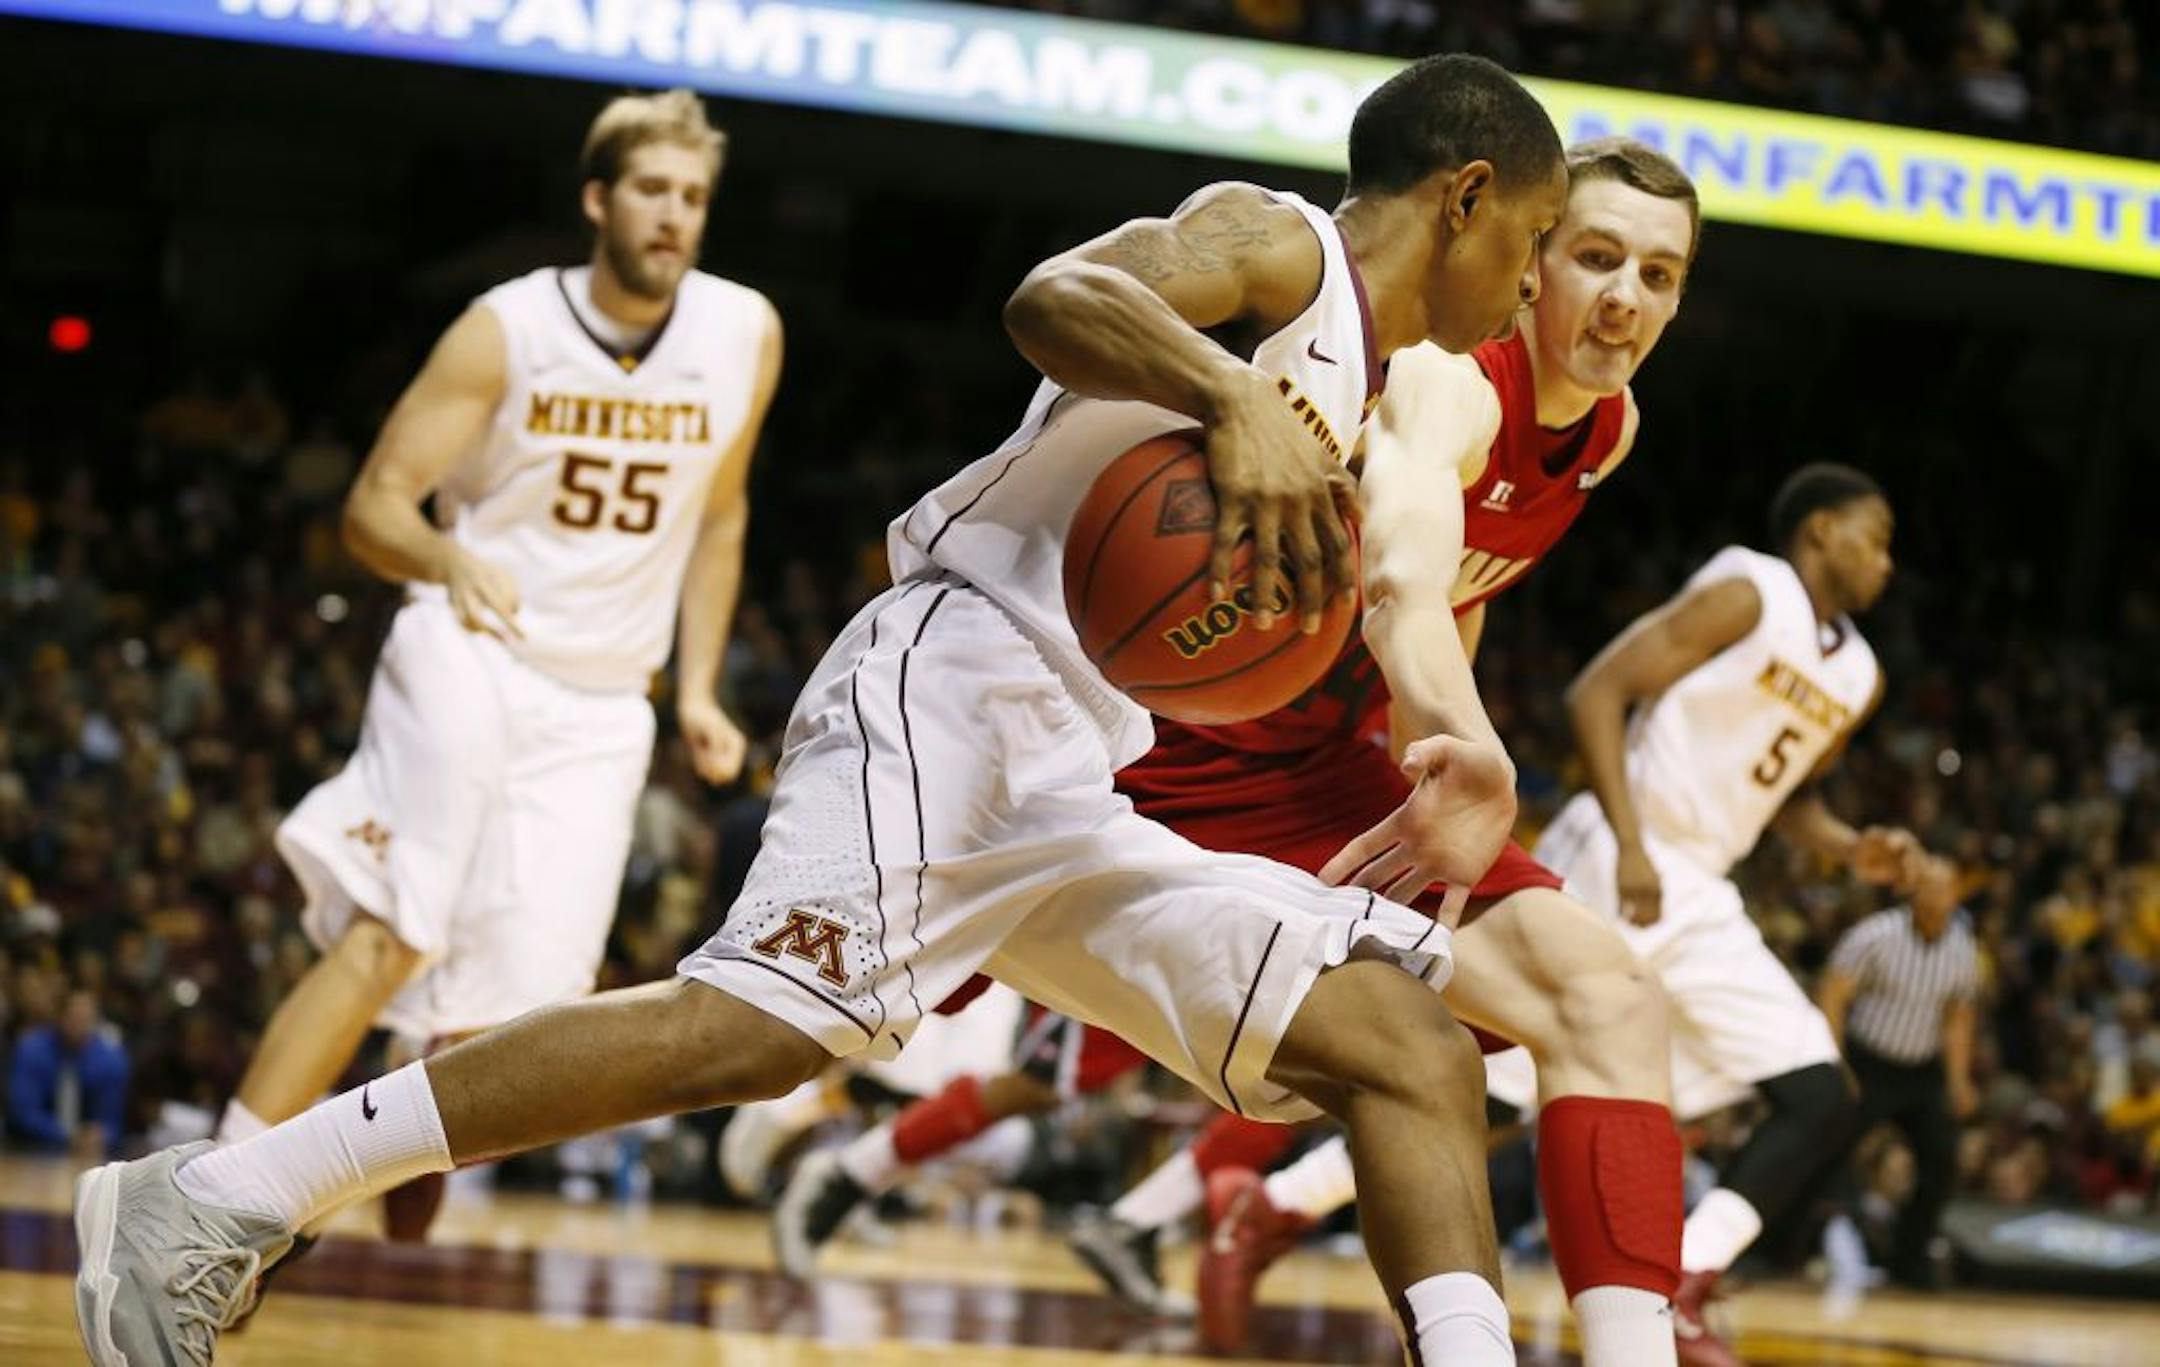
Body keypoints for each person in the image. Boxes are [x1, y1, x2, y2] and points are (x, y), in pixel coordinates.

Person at [73, 53, 1568, 1367]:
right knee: (751, 1029)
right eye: (1542, 237)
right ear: (1467, 195)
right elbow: (1057, 296)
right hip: (957, 673)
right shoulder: (1279, 247)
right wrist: (1222, 393)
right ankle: (213, 1197)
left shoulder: (1374, 389)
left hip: (1069, 766)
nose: (1540, 276)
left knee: (1407, 1044)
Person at [779, 138, 1700, 1367]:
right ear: (1533, 263)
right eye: (1595, 257)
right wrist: (1458, 724)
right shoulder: (1449, 382)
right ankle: (831, 1154)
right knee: (829, 1013)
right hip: (1154, 750)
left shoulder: (1610, 430)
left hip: (1317, 775)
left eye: (1660, 272)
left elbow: (1462, 605)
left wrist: (1427, 734)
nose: (1625, 298)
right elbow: (1406, 580)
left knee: (1604, 997)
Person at [206, 89, 781, 1246]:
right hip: (470, 644)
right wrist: (444, 556)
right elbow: (373, 507)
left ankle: (405, 1092)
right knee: (395, 928)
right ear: (597, 199)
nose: (675, 217)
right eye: (653, 191)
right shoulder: (504, 328)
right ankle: (214, 1199)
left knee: (517, 1018)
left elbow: (720, 518)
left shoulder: (745, 332)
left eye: (694, 197)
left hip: (607, 693)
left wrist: (702, 685)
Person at [1485, 462, 1927, 1366]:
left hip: (1700, 883)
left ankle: (1681, 1282)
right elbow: (1597, 693)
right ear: (1819, 531)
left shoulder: (1862, 676)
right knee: (1498, 1082)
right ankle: (1260, 1200)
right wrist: (1632, 840)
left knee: (1817, 1088)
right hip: (1622, 849)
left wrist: (1851, 848)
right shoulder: (1749, 589)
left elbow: (1790, 796)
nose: (1887, 561)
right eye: (1874, 536)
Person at [1819, 854, 1984, 1287]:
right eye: (1927, 886)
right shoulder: (1876, 935)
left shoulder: (1963, 948)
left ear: (1955, 895)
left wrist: (1959, 1080)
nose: (1935, 895)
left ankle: (1909, 1261)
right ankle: (1792, 1248)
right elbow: (1834, 993)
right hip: (1867, 1060)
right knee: (1824, 1151)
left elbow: (1958, 1017)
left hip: (1921, 1070)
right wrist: (1835, 1061)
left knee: (1940, 1160)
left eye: (1943, 888)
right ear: (1913, 890)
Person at [6, 988, 128, 1159]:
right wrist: (67, 1135)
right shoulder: (31, 1049)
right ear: (59, 1017)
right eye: (74, 1017)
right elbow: (22, 1112)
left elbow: (113, 1120)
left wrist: (100, 1134)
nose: (79, 1025)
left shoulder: (111, 1059)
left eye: (86, 1019)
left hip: (89, 1152)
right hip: (29, 1147)